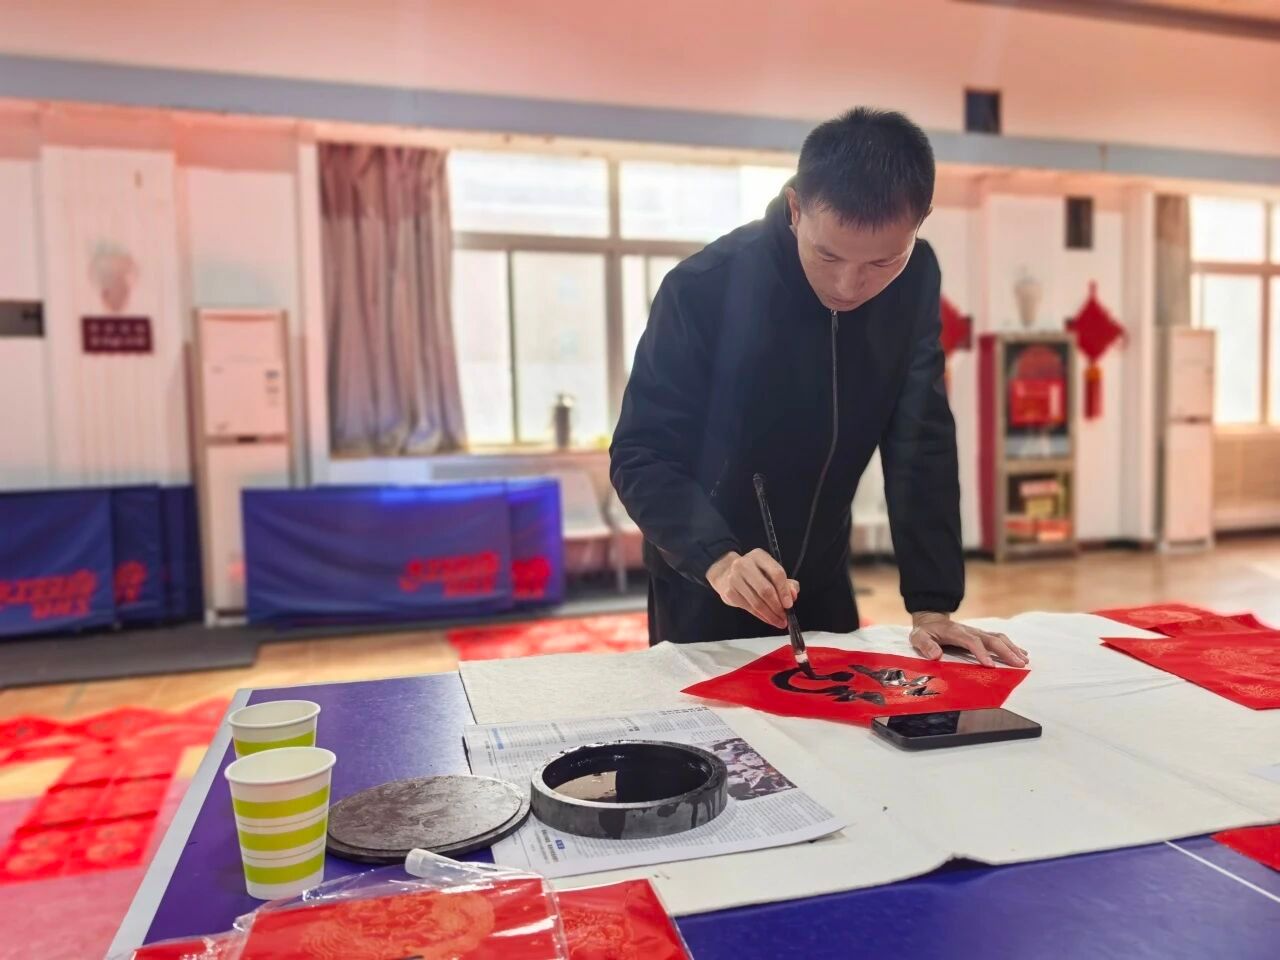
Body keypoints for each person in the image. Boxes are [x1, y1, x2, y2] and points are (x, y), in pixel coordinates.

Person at [610, 108, 1027, 669]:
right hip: (707, 580)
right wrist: (718, 558)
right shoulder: (703, 289)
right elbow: (641, 451)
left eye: (883, 261)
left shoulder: (915, 281)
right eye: (827, 254)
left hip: (824, 577)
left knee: (841, 715)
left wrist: (932, 604)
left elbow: (920, 440)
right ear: (795, 208)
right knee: (715, 723)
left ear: (920, 222)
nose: (849, 286)